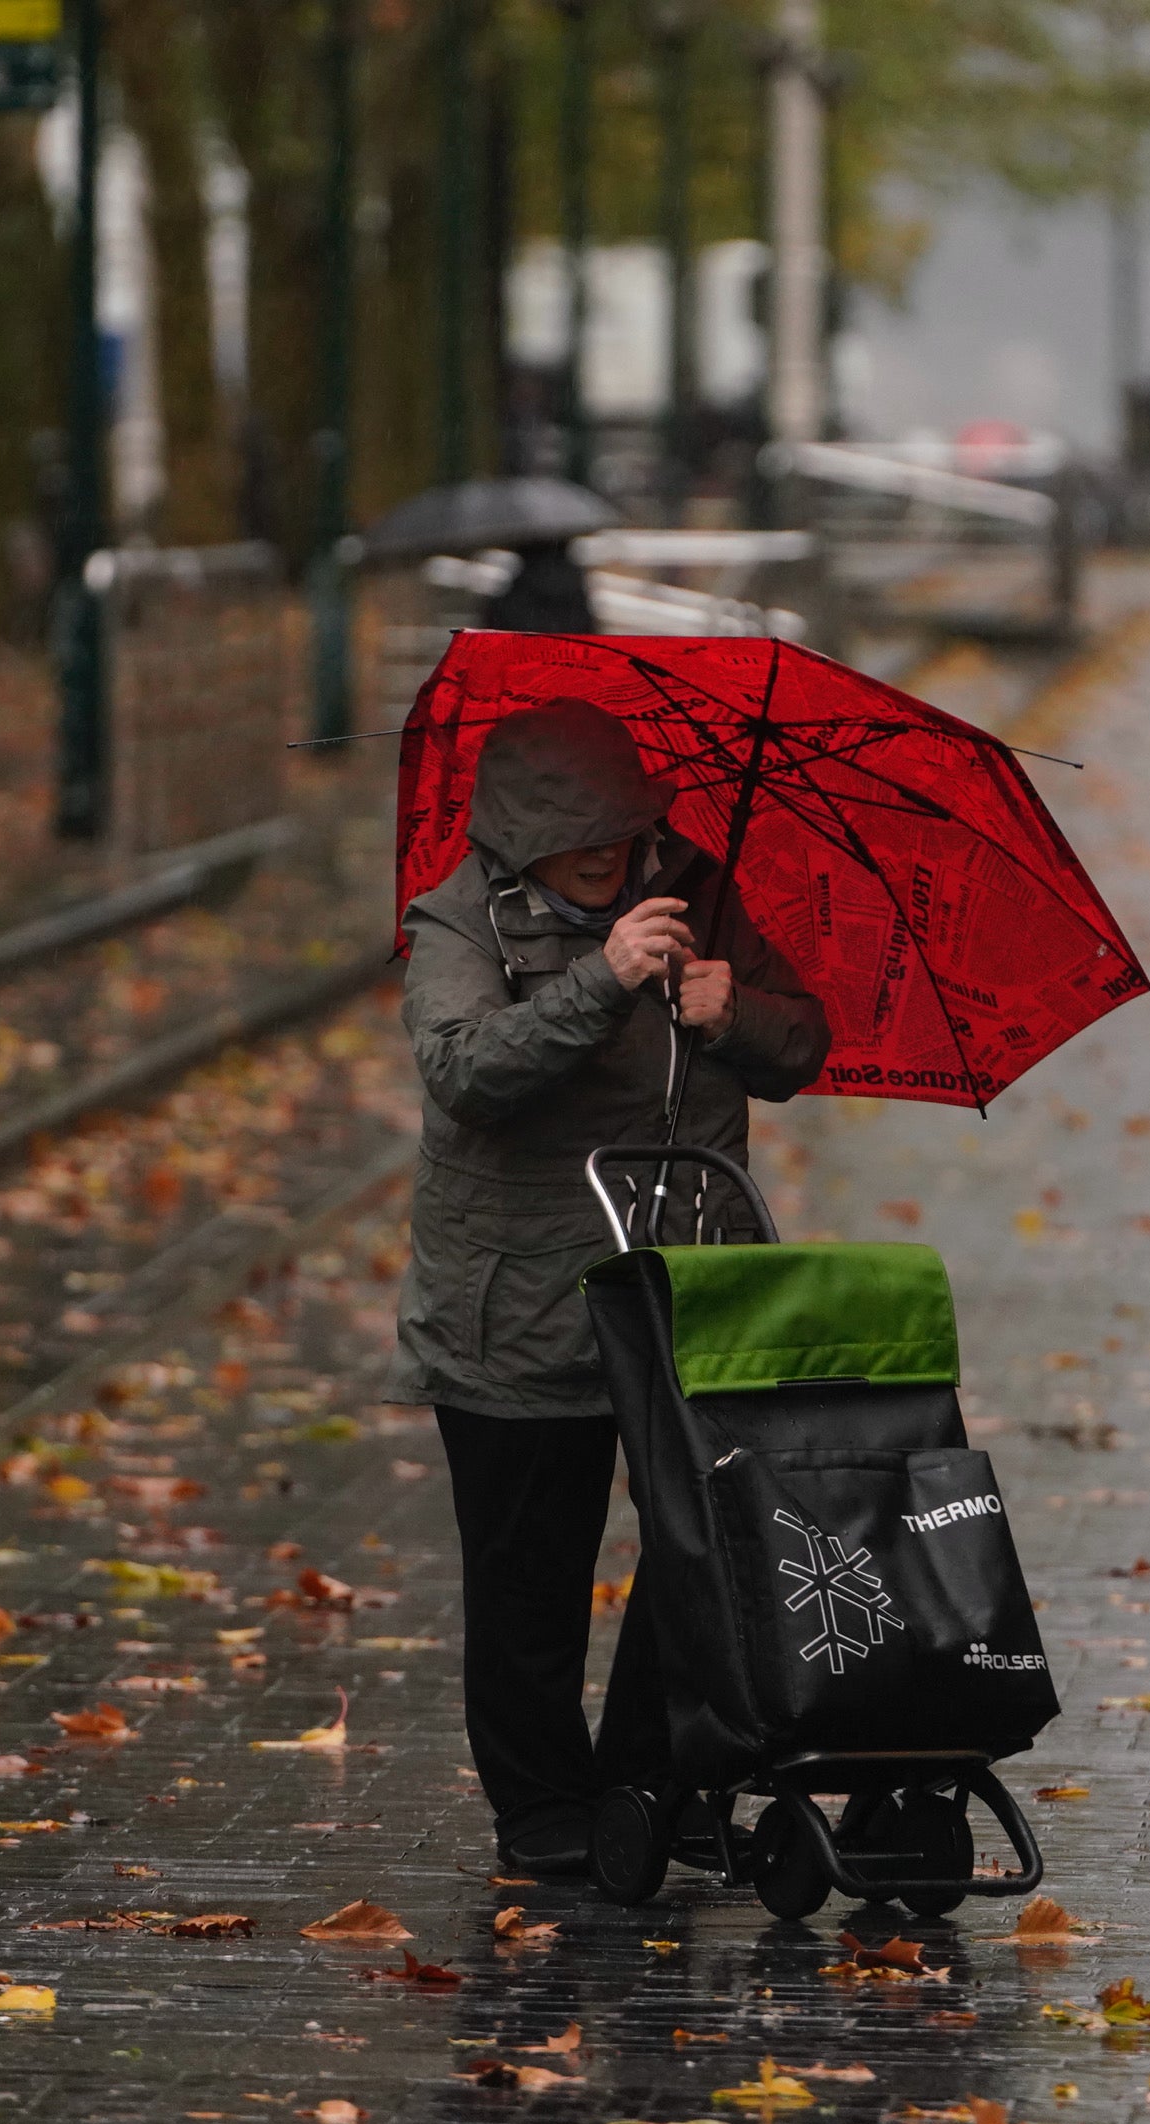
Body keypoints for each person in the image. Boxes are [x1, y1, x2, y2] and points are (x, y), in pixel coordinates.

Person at [387, 698, 831, 1873]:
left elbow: (802, 1044)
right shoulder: (456, 920)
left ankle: (653, 1782)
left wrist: (736, 1010)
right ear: (518, 838)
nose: (608, 854)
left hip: (683, 1276)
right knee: (530, 1576)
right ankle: (542, 1812)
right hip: (517, 1299)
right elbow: (463, 1072)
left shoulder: (693, 883)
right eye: (577, 835)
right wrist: (598, 979)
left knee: (702, 1550)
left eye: (622, 829)